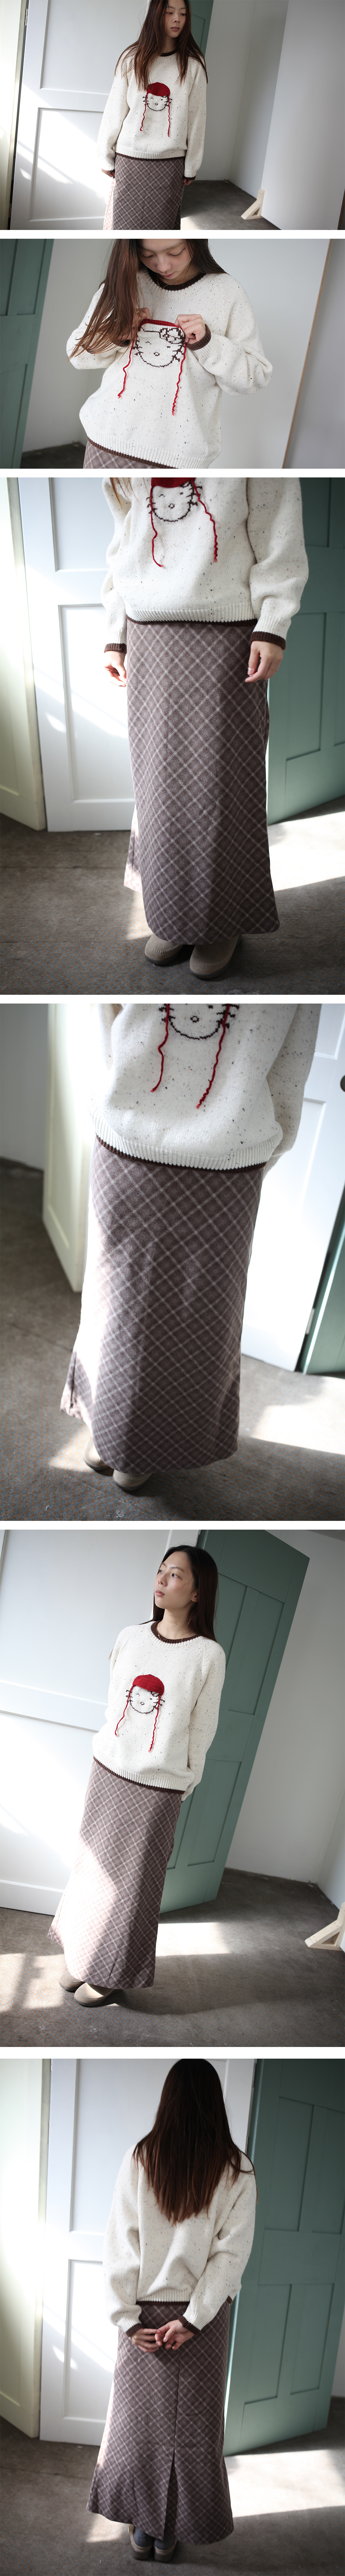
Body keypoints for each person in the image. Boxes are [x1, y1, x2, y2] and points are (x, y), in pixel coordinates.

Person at [60, 999, 320, 1491]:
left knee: (144, 1306)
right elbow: (293, 1059)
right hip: (198, 1154)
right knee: (158, 1309)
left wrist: (110, 1102)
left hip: (162, 1146)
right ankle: (118, 1438)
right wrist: (268, 1145)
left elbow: (104, 1020)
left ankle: (126, 1444)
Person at [102, 470, 308, 976]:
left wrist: (273, 623)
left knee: (220, 786)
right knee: (159, 788)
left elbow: (278, 530)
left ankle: (222, 921)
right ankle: (173, 914)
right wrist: (115, 632)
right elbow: (124, 543)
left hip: (226, 635)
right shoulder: (130, 459)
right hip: (148, 635)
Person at [87, 2058, 257, 2558]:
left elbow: (121, 2241)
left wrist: (126, 2319)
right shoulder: (237, 2168)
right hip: (202, 2320)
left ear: (169, 2100)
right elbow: (231, 2255)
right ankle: (168, 2533)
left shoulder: (142, 2157)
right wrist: (194, 2319)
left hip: (146, 2315)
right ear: (214, 2102)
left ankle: (145, 2527)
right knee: (194, 2429)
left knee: (138, 2426)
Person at [49, 1543, 225, 2006]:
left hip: (158, 1786)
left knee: (134, 1884)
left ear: (198, 1592)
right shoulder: (131, 1636)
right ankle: (82, 1957)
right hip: (109, 1773)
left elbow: (202, 1727)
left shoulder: (208, 1655)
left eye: (176, 1574)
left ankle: (111, 1974)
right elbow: (115, 1703)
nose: (162, 1579)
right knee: (93, 1870)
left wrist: (187, 1781)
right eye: (161, 1570)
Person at [66, 234, 272, 472]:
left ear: (196, 242)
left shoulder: (227, 292)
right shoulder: (124, 283)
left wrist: (208, 344)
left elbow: (255, 379)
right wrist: (117, 335)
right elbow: (78, 356)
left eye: (175, 253)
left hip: (178, 458)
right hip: (107, 440)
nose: (163, 266)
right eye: (148, 255)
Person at [98, 0, 207, 235]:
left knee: (161, 232)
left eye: (183, 14)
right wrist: (105, 155)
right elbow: (114, 111)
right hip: (130, 159)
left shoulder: (193, 65)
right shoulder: (132, 59)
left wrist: (192, 165)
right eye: (170, 12)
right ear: (156, 15)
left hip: (171, 164)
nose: (177, 19)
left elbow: (197, 120)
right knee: (123, 229)